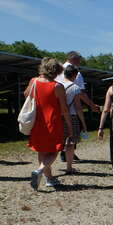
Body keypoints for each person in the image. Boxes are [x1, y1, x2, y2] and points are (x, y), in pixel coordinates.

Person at [25, 58, 73, 190]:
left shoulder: (33, 81)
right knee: (54, 150)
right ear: (57, 71)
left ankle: (49, 179)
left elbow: (26, 95)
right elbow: (64, 109)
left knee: (42, 150)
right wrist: (69, 126)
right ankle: (40, 170)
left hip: (37, 122)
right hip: (52, 122)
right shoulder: (57, 86)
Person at [54, 51, 99, 162]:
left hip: (57, 107)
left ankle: (61, 153)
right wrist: (92, 105)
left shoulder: (57, 70)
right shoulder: (76, 73)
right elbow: (81, 93)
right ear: (74, 59)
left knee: (61, 132)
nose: (80, 62)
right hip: (71, 108)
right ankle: (67, 154)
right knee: (72, 132)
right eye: (79, 59)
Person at [58, 64, 88, 174]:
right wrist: (83, 123)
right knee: (70, 143)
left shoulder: (57, 85)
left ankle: (47, 167)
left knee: (57, 141)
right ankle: (69, 167)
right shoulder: (75, 88)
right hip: (72, 117)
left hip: (58, 117)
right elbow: (78, 108)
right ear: (75, 75)